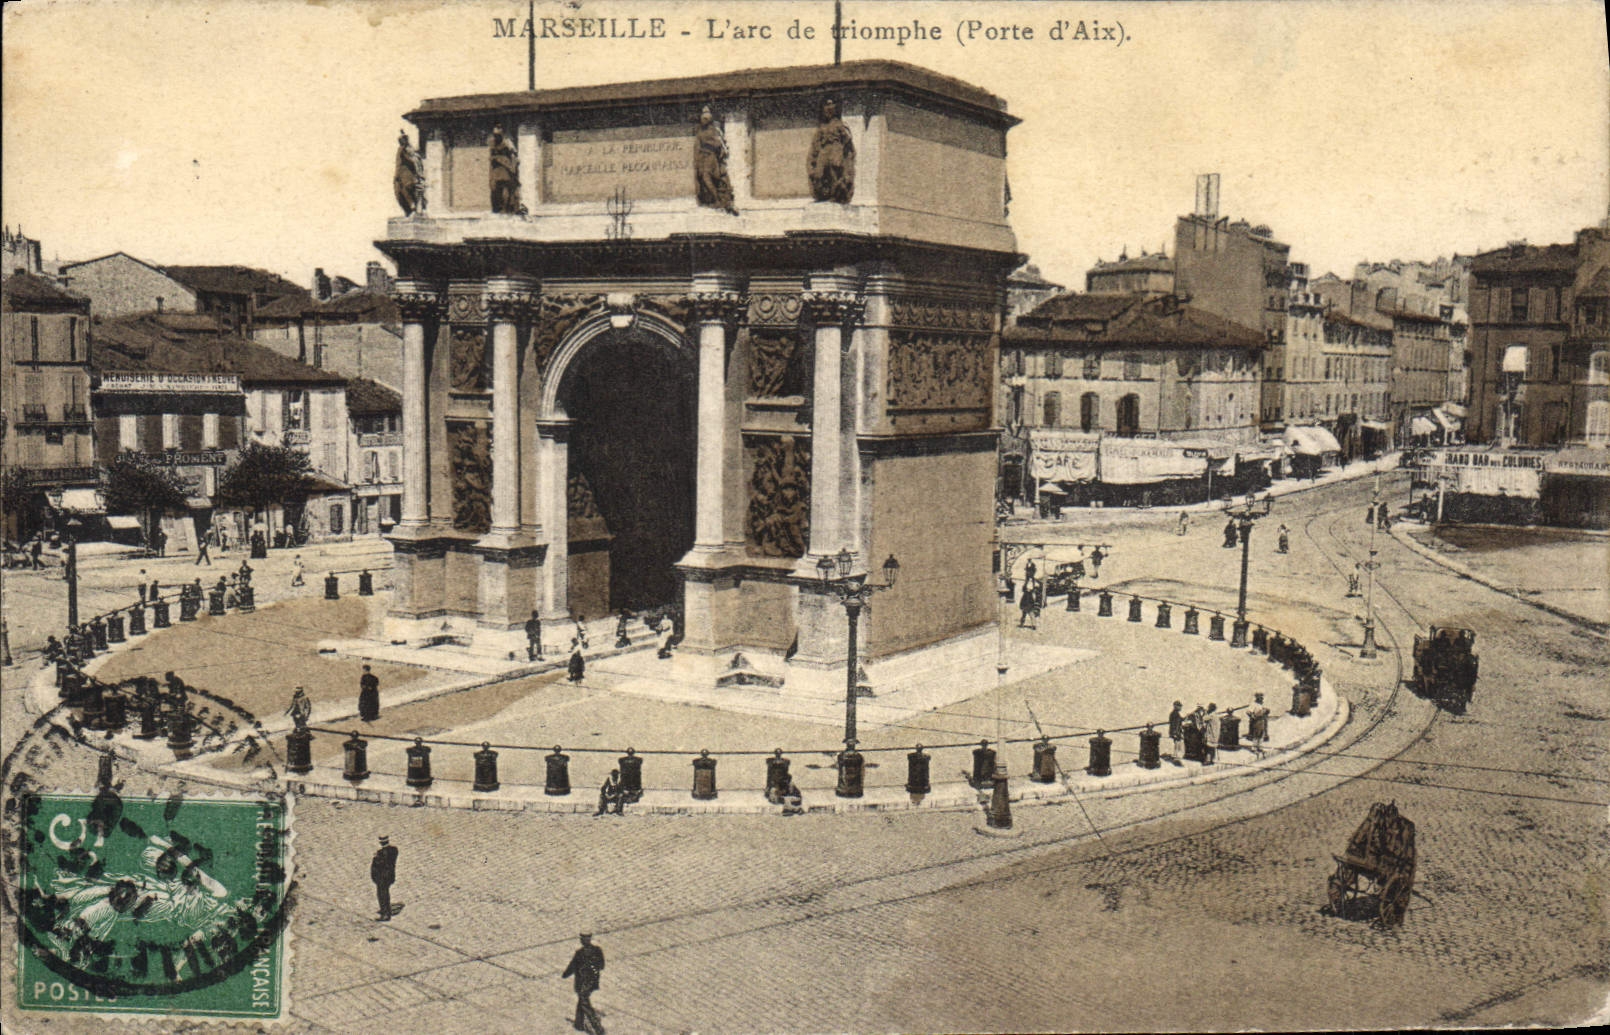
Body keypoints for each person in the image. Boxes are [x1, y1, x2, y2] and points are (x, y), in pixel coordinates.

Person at [807, 98, 855, 203]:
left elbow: (847, 141)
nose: (828, 109)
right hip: (824, 150)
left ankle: (837, 194)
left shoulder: (841, 124)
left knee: (835, 169)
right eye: (826, 107)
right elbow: (816, 143)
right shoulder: (822, 127)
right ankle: (823, 194)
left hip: (836, 149)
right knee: (819, 173)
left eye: (831, 106)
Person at [693, 106, 737, 214]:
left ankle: (718, 199)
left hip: (711, 156)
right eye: (703, 117)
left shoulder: (714, 130)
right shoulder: (700, 131)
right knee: (704, 178)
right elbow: (697, 145)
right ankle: (716, 199)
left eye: (706, 118)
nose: (704, 119)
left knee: (707, 177)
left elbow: (720, 144)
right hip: (703, 157)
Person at [562, 933, 606, 1034]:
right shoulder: (597, 950)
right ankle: (579, 1024)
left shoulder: (580, 953)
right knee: (582, 1000)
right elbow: (602, 965)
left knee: (584, 1003)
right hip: (592, 982)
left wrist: (565, 974)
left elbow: (572, 966)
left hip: (582, 983)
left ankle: (598, 1028)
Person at [488, 124, 521, 214]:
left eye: (498, 135)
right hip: (496, 170)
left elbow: (514, 156)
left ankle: (508, 209)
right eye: (495, 135)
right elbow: (491, 156)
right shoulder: (492, 143)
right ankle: (499, 209)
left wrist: (512, 167)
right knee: (496, 190)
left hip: (506, 169)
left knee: (507, 190)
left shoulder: (507, 142)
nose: (496, 137)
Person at [393, 128, 426, 216]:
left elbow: (413, 160)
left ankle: (414, 206)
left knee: (408, 189)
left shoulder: (407, 150)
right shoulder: (403, 150)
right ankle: (413, 207)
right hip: (403, 175)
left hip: (408, 176)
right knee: (403, 190)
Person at [370, 836, 398, 921]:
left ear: (381, 842)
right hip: (390, 876)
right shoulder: (394, 850)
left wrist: (376, 858)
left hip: (382, 877)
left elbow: (381, 863)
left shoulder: (381, 853)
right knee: (385, 894)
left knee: (382, 895)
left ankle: (385, 913)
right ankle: (386, 910)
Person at [1248, 692, 1270, 759]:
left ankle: (1260, 747)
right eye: (1260, 697)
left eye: (1262, 697)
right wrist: (1253, 716)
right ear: (1257, 698)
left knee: (1261, 733)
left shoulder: (1261, 704)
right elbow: (1248, 712)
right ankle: (1254, 748)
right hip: (1256, 721)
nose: (1262, 698)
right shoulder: (1253, 704)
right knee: (1256, 734)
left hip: (1262, 720)